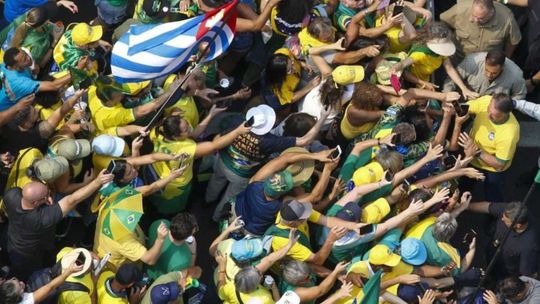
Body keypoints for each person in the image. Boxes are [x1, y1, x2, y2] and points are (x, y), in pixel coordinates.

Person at [3, 169, 112, 280]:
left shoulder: (11, 195)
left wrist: (44, 200)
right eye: (46, 196)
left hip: (13, 243)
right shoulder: (42, 218)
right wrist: (97, 181)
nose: (49, 197)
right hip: (30, 256)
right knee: (30, 277)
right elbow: (72, 200)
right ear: (35, 202)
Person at [458, 93, 520, 202]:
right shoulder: (486, 101)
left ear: (505, 114)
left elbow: (500, 164)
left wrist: (475, 150)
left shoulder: (509, 134)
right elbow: (464, 108)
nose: (487, 115)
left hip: (492, 170)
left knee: (493, 195)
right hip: (472, 158)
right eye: (488, 110)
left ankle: (494, 216)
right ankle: (461, 204)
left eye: (493, 116)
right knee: (463, 187)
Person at [468, 201, 539, 278]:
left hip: (504, 273)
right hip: (491, 253)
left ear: (518, 225)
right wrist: (464, 207)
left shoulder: (528, 246)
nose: (502, 219)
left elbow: (527, 274)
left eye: (506, 221)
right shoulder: (511, 212)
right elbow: (486, 207)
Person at [440, 0, 522, 59]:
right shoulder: (460, 9)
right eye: (474, 15)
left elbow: (513, 41)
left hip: (486, 64)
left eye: (480, 18)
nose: (475, 20)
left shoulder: (507, 19)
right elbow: (442, 21)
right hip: (460, 58)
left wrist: (505, 59)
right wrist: (448, 41)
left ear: (491, 13)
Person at [0, 47, 71, 111]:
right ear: (16, 67)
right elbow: (54, 86)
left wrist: (32, 72)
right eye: (25, 60)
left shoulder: (5, 65)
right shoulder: (19, 83)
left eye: (26, 54)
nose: (29, 58)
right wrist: (76, 72)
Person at [443, 50, 527, 100]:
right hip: (467, 104)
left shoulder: (516, 75)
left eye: (494, 73)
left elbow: (520, 95)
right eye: (486, 70)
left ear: (502, 67)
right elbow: (451, 80)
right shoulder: (471, 62)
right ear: (485, 61)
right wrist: (448, 97)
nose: (489, 75)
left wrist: (503, 106)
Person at [146, 213, 201, 280]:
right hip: (158, 279)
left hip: (147, 267)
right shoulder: (184, 260)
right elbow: (186, 274)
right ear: (186, 237)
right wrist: (193, 253)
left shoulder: (159, 223)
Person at [0, 260, 83, 304]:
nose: (22, 282)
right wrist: (68, 271)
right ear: (19, 298)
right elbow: (50, 287)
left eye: (15, 279)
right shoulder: (26, 301)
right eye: (20, 286)